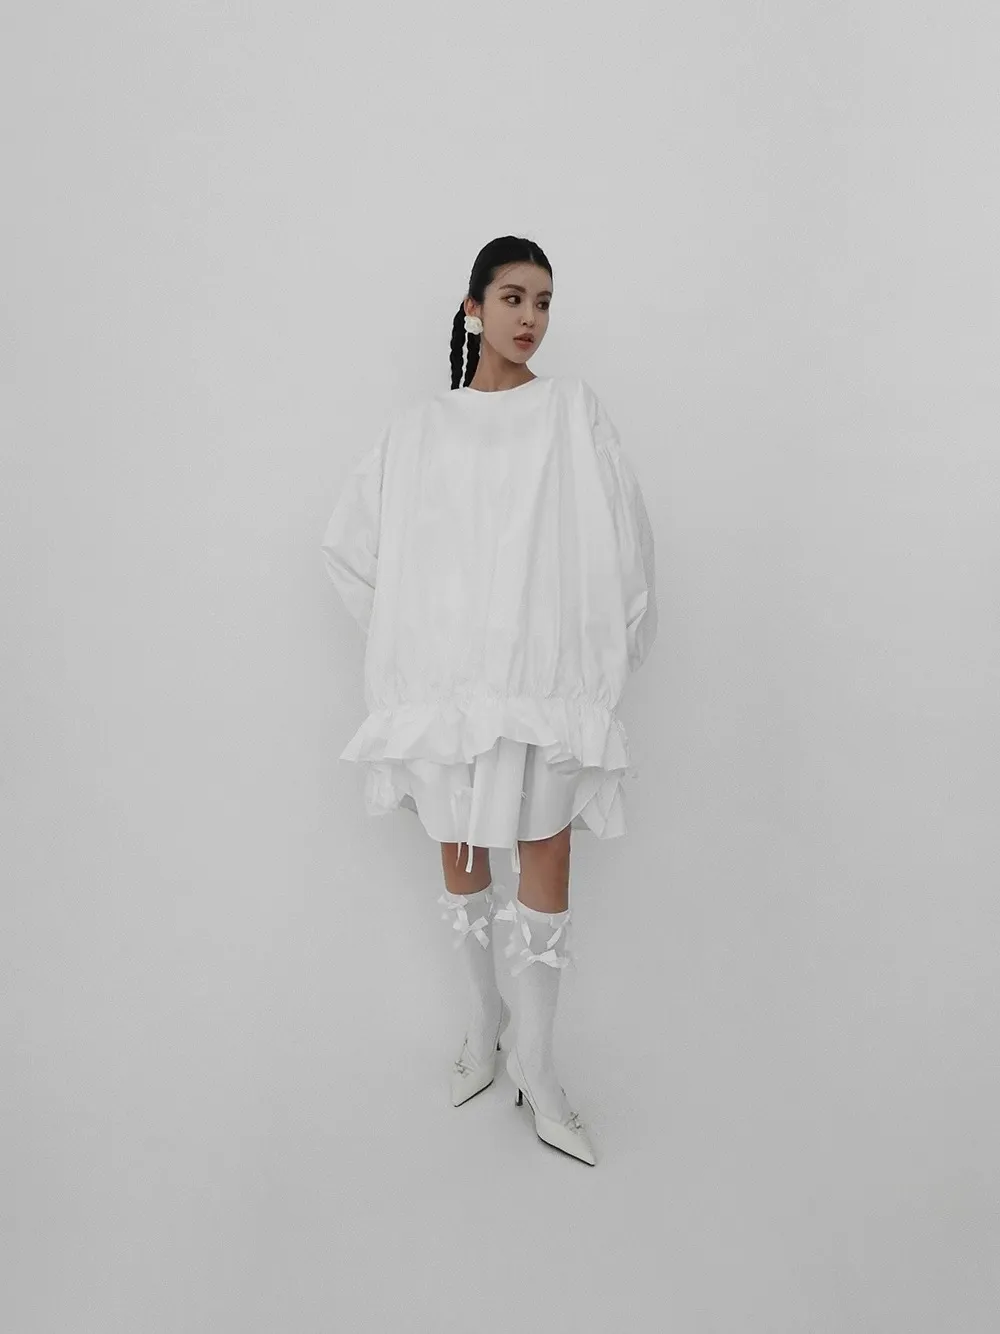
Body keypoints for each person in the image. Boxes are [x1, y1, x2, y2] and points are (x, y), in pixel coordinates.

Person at [320, 235, 657, 1166]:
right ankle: (486, 1022)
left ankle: (539, 1067)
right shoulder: (419, 427)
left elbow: (624, 541)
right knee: (460, 847)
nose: (530, 318)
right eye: (512, 297)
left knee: (547, 849)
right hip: (449, 689)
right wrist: (416, 651)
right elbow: (350, 547)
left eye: (544, 302)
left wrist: (600, 669)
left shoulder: (572, 412)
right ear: (473, 308)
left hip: (545, 685)